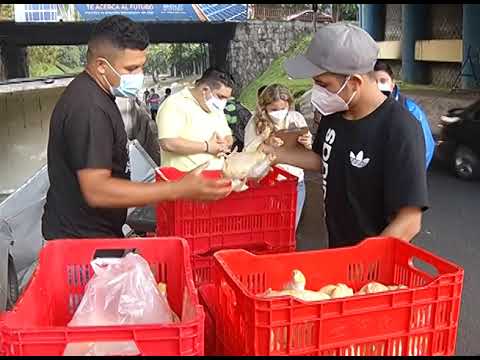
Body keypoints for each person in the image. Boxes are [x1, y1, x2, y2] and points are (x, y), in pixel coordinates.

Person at [41, 15, 231, 241]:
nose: (139, 76)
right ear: (102, 65)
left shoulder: (99, 95)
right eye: (131, 69)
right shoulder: (89, 108)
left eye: (142, 66)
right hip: (80, 241)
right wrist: (177, 189)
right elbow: (96, 190)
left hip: (97, 232)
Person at [263, 23, 429, 248]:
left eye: (322, 84)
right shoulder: (335, 115)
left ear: (354, 82)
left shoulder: (400, 128)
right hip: (338, 247)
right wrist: (275, 154)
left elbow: (410, 221)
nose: (317, 90)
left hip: (376, 263)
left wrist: (361, 261)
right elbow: (324, 158)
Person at [244, 84, 312, 229]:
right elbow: (247, 152)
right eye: (274, 110)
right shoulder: (255, 123)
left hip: (294, 181)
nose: (279, 113)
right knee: (267, 228)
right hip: (266, 182)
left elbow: (308, 151)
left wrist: (307, 143)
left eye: (283, 109)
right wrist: (267, 143)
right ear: (264, 108)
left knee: (290, 228)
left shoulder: (296, 118)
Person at [156, 67, 235, 171]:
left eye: (226, 98)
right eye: (221, 97)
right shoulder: (174, 104)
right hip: (183, 181)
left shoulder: (216, 109)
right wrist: (206, 147)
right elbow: (168, 143)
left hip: (216, 176)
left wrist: (226, 143)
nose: (223, 102)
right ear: (205, 90)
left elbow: (227, 135)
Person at [374, 60, 435, 168]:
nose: (378, 86)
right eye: (374, 82)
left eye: (383, 81)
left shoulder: (410, 110)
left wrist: (410, 175)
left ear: (392, 84)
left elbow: (426, 148)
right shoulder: (363, 108)